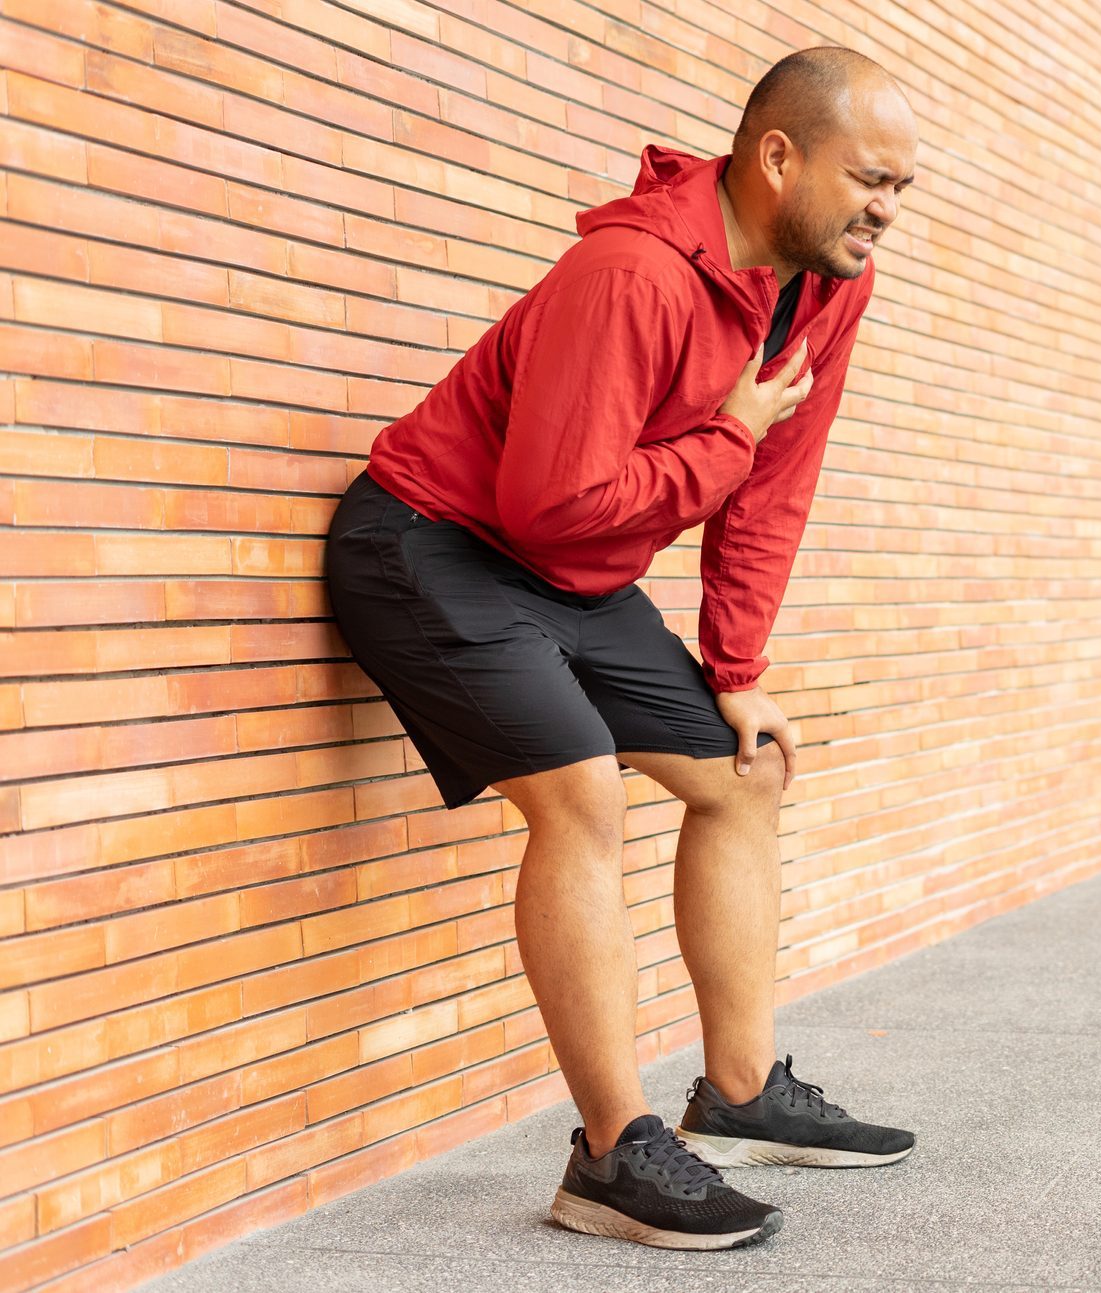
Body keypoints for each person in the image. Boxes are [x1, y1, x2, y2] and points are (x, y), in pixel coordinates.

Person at [322, 46, 920, 1252]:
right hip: (432, 547)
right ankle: (609, 1155)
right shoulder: (629, 273)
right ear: (776, 157)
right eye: (867, 179)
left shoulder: (822, 287)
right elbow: (550, 501)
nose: (884, 211)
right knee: (581, 797)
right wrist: (728, 432)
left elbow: (772, 487)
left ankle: (741, 1096)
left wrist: (737, 668)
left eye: (903, 189)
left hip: (577, 570)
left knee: (744, 771)